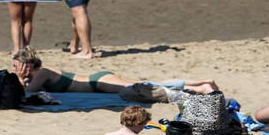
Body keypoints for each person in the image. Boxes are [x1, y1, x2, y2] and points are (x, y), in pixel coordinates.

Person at [11, 48, 218, 96]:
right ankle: (201, 83)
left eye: (16, 66)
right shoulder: (44, 70)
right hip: (99, 77)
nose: (14, 70)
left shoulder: (42, 73)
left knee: (147, 89)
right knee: (150, 83)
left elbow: (27, 93)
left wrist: (20, 79)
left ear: (27, 66)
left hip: (97, 84)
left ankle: (199, 89)